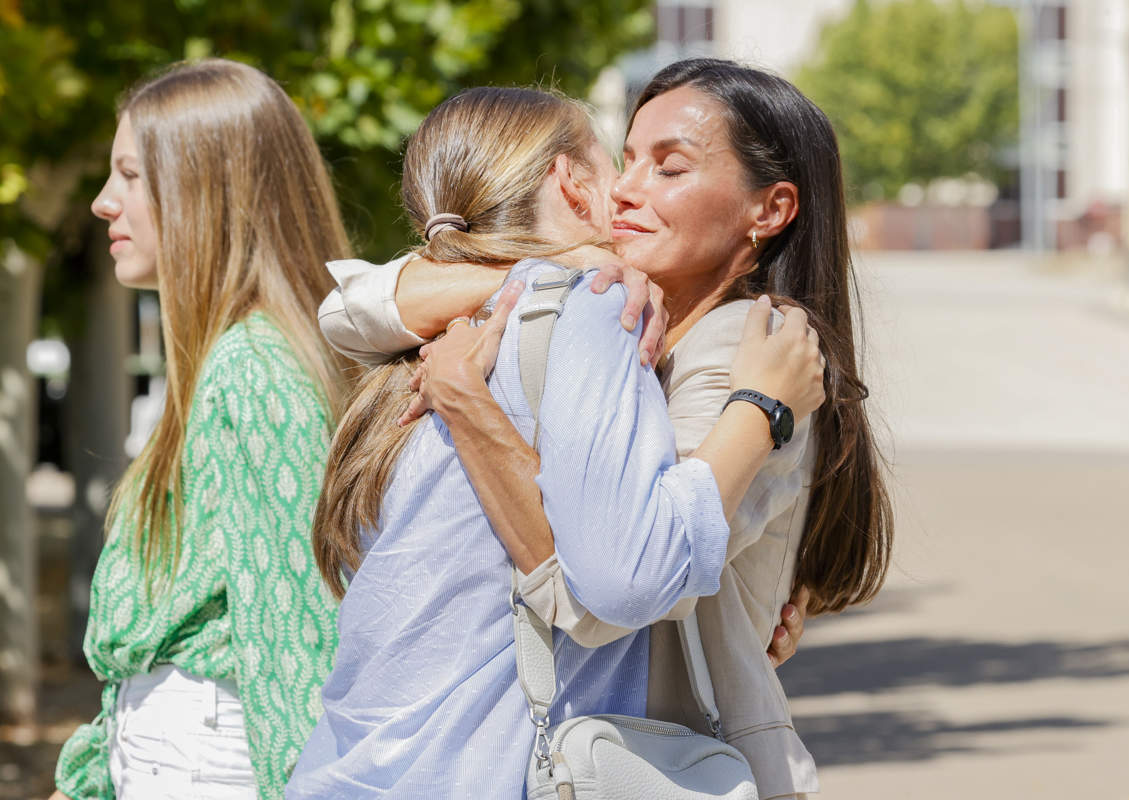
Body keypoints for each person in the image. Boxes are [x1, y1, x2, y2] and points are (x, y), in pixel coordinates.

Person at [317, 58, 894, 799]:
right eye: (625, 160)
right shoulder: (609, 308)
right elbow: (348, 308)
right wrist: (538, 275)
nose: (624, 189)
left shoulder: (746, 351)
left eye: (669, 167)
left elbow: (611, 588)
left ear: (769, 209)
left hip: (660, 767)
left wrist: (470, 402)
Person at [53, 59, 351, 800]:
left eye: (129, 175)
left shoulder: (253, 369)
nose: (101, 203)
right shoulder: (230, 358)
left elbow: (295, 637)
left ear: (201, 187)